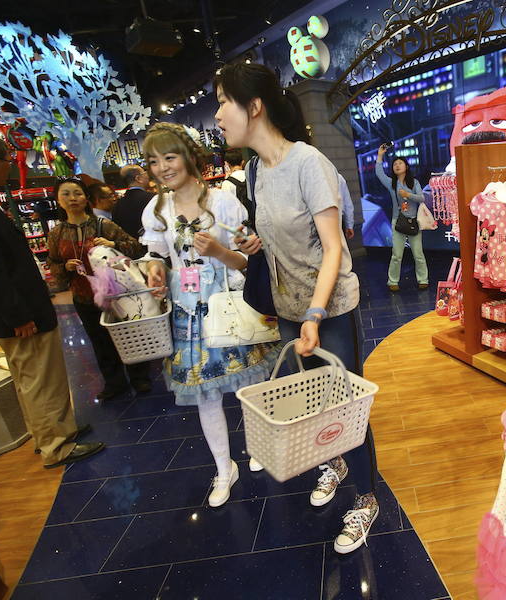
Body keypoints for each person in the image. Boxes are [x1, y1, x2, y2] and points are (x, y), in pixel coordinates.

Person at [215, 62, 380, 554]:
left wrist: (315, 315)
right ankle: (334, 462)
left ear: (254, 106)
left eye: (223, 102)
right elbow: (278, 236)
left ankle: (367, 498)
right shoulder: (253, 171)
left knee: (346, 403)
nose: (218, 115)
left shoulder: (308, 163)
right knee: (312, 400)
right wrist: (255, 243)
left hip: (329, 308)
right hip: (288, 308)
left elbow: (333, 250)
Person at [0, 129, 102, 468]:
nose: (11, 167)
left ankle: (52, 433)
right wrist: (16, 313)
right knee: (41, 378)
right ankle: (57, 444)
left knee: (32, 378)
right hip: (18, 311)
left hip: (15, 308)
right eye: (9, 161)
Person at [140, 122, 281, 508]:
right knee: (205, 395)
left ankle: (258, 446)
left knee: (247, 387)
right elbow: (155, 256)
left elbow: (245, 260)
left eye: (169, 157)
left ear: (189, 156)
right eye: (154, 161)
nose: (163, 167)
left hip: (227, 305)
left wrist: (219, 252)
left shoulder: (223, 201)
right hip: (187, 312)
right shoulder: (156, 210)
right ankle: (223, 467)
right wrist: (155, 273)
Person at [46, 178, 152, 398]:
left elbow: (136, 247)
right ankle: (114, 382)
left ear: (86, 198)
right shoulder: (56, 234)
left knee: (128, 335)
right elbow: (53, 264)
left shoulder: (103, 225)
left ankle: (139, 377)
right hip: (84, 296)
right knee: (100, 341)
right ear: (58, 200)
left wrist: (114, 245)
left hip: (116, 294)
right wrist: (65, 267)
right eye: (66, 194)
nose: (72, 198)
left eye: (77, 193)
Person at [375, 146, 428, 291]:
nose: (397, 165)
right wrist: (380, 156)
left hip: (413, 222)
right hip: (397, 221)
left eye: (400, 163)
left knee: (418, 254)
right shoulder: (391, 183)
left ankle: (423, 279)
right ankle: (393, 281)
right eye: (395, 164)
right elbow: (379, 173)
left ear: (406, 166)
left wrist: (408, 195)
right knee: (397, 255)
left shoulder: (414, 182)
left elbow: (422, 198)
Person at [112, 164, 154, 240]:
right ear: (138, 178)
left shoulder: (117, 205)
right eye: (145, 173)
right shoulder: (152, 199)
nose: (148, 176)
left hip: (131, 245)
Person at [338, 172, 355, 239]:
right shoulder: (338, 177)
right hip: (338, 220)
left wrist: (349, 225)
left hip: (318, 222)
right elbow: (347, 203)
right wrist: (349, 225)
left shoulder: (313, 178)